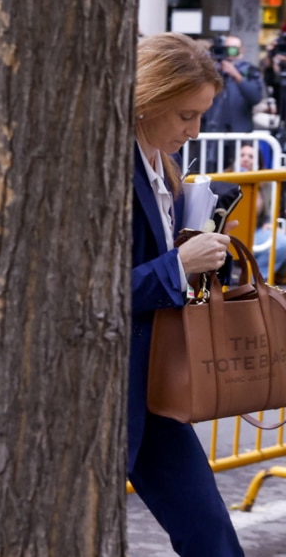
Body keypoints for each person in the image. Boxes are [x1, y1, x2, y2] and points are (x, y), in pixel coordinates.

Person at [132, 32, 244, 556]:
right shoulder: (115, 167)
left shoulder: (159, 165)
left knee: (210, 533)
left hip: (154, 381)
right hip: (117, 381)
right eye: (185, 115)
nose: (196, 131)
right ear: (147, 99)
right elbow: (80, 294)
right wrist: (178, 266)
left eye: (201, 115)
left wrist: (198, 266)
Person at [203, 34, 264, 134]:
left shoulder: (249, 70)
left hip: (240, 131)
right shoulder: (211, 70)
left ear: (241, 50)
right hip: (213, 129)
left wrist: (236, 75)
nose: (229, 53)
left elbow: (255, 97)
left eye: (233, 49)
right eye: (226, 49)